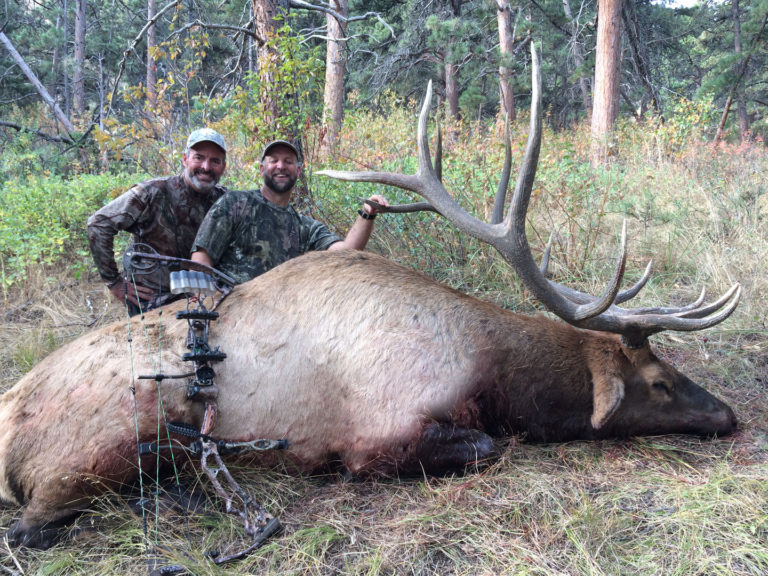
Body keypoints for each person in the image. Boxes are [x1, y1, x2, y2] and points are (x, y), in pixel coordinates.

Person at [190, 140, 389, 284]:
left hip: (281, 319)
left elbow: (347, 252)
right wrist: (206, 304)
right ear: (261, 169)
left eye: (288, 161)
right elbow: (201, 257)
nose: (281, 166)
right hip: (229, 312)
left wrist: (367, 213)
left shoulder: (305, 227)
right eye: (273, 160)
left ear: (298, 171)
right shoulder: (235, 203)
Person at [87, 128, 228, 314]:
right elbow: (99, 223)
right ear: (185, 159)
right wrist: (115, 283)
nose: (206, 167)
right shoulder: (152, 192)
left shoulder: (227, 201)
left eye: (215, 161)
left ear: (223, 168)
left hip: (205, 299)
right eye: (199, 158)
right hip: (153, 303)